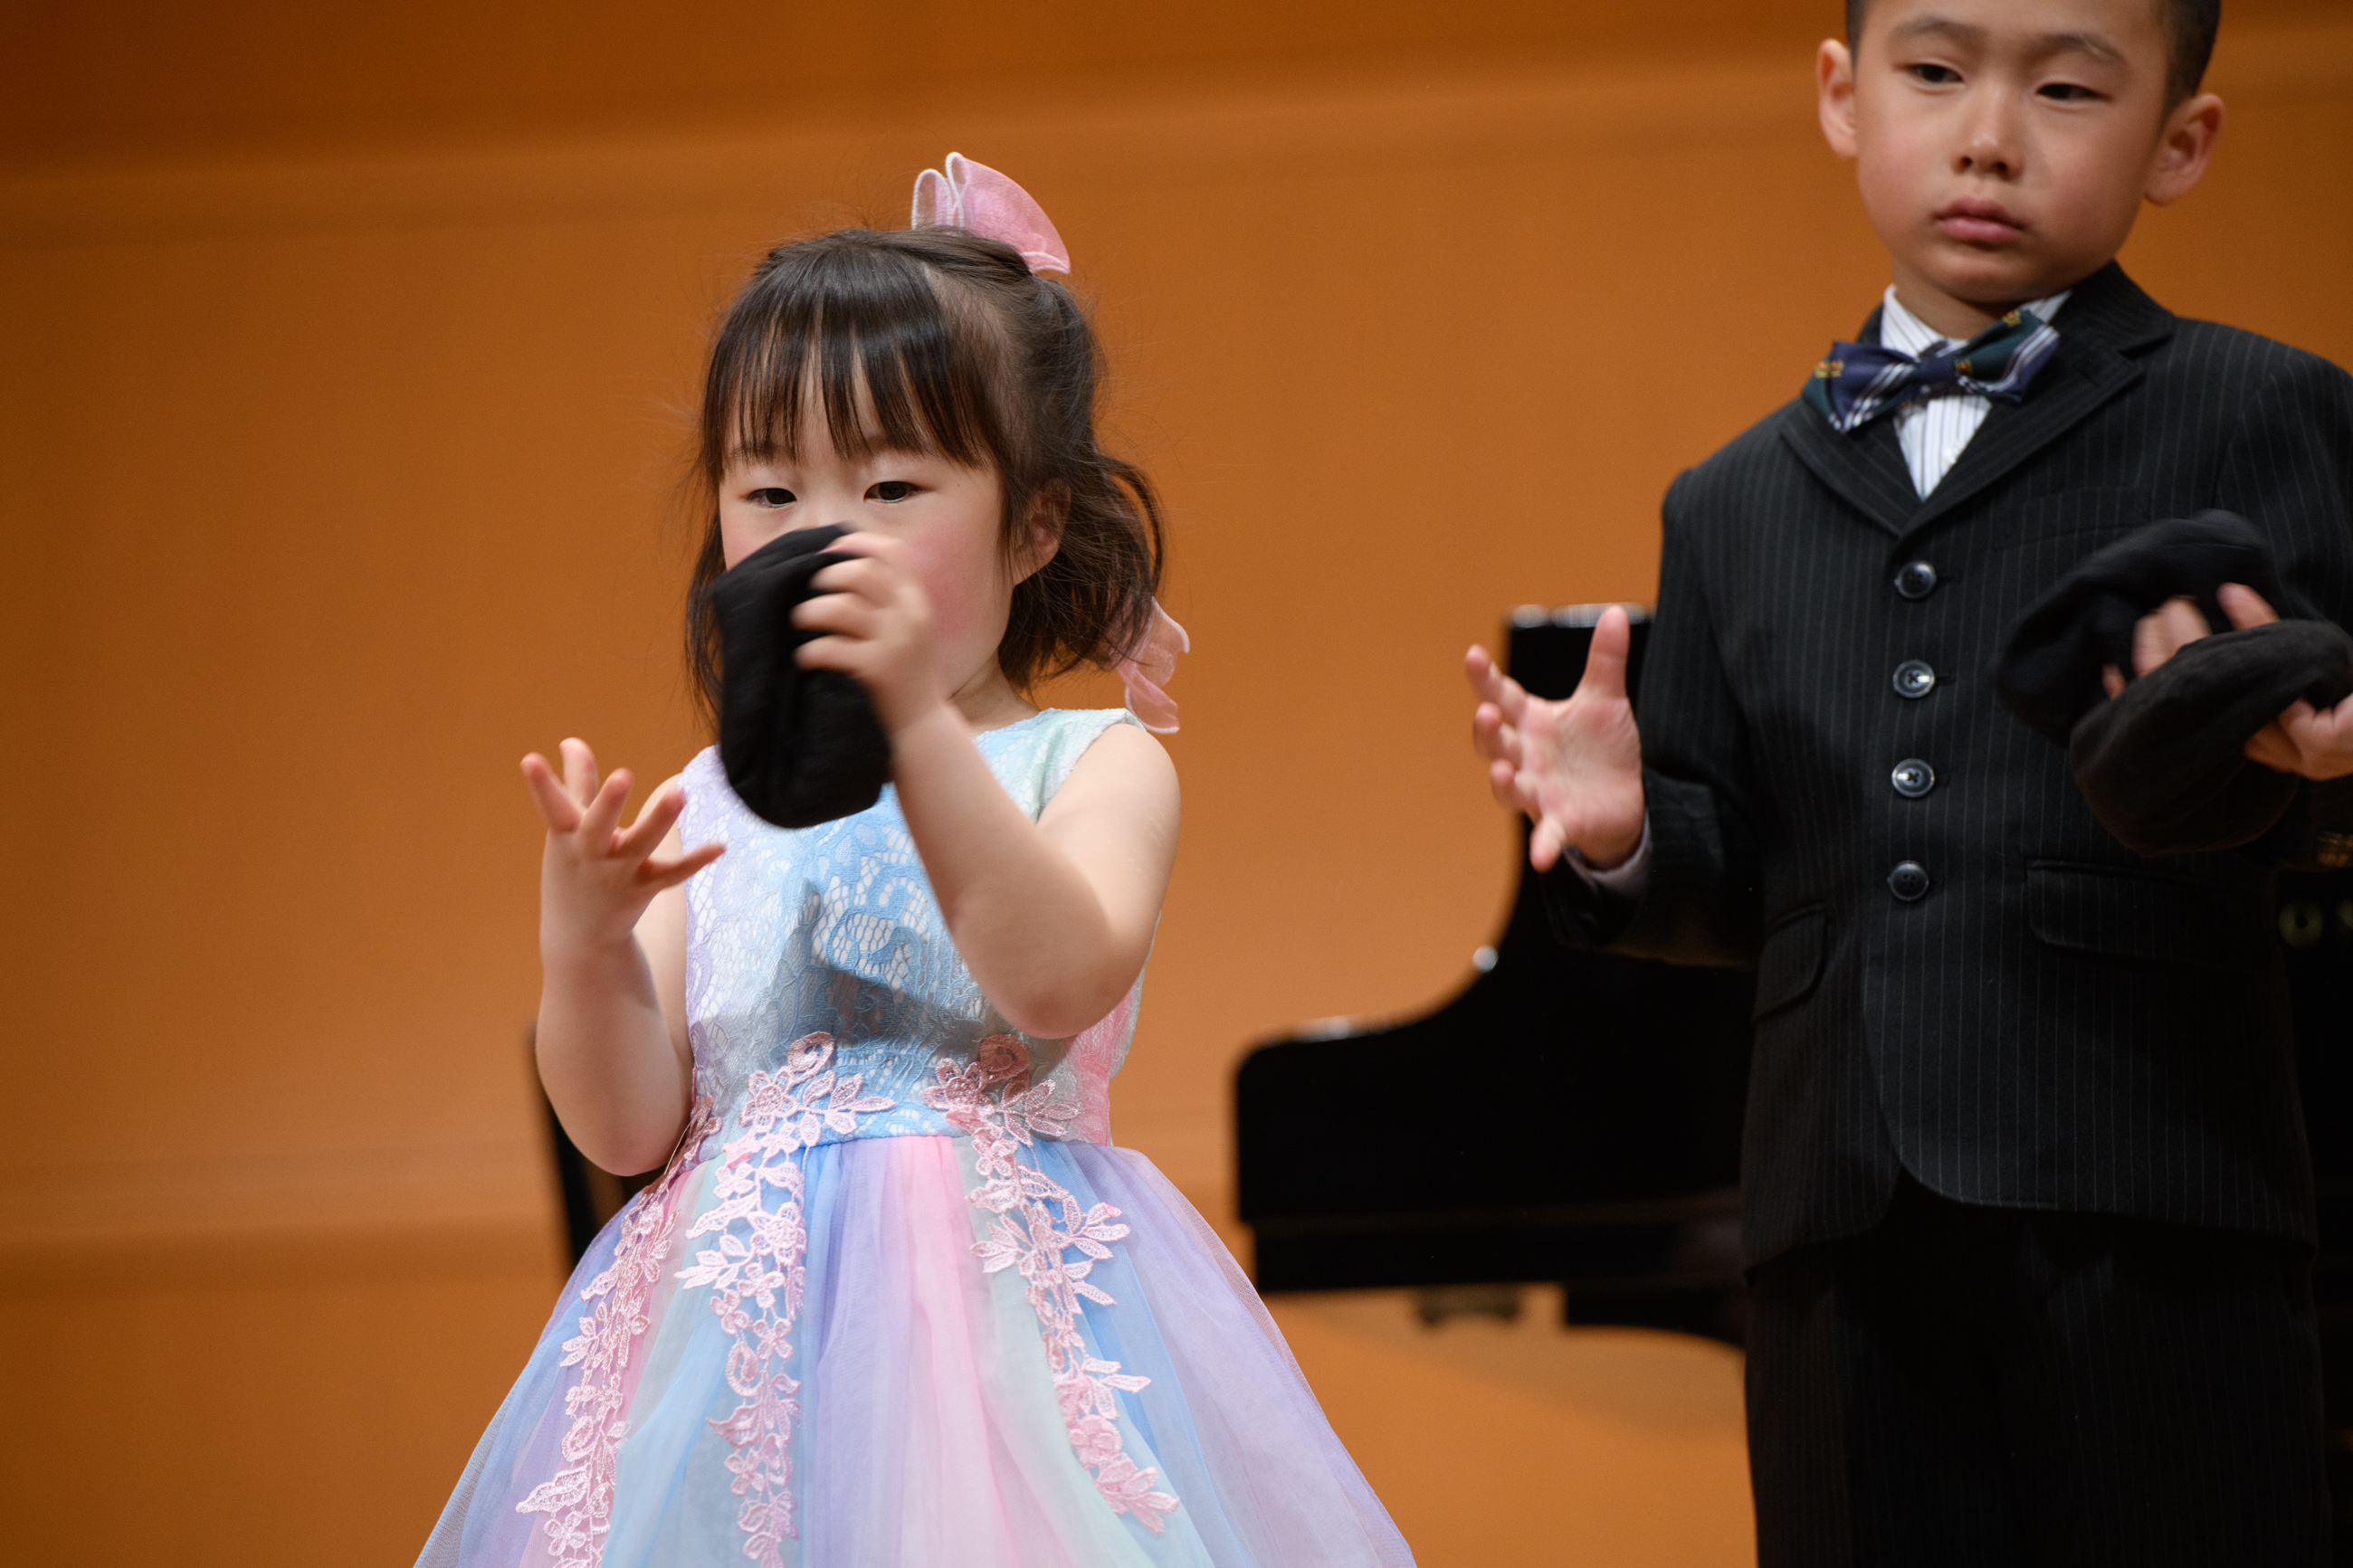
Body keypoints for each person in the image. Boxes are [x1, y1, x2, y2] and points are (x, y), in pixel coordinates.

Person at [418, 156, 1414, 1568]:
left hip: (997, 1359)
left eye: (889, 484)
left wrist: (914, 724)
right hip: (737, 1370)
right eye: (770, 489)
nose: (824, 538)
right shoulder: (713, 798)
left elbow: (1054, 974)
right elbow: (625, 1127)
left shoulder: (1093, 762)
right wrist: (582, 949)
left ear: (1033, 524)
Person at [1465, 1, 2353, 1562]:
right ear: (1841, 95)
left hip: (2156, 1194)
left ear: (2181, 141)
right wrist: (1626, 839)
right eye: (1934, 73)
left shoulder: (2267, 408)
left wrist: (2326, 770)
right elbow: (1744, 879)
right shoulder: (1728, 499)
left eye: (2066, 88)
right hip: (1837, 1222)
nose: (1988, 136)